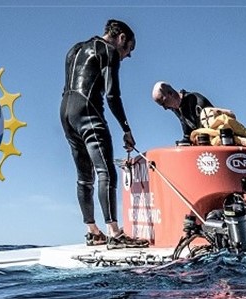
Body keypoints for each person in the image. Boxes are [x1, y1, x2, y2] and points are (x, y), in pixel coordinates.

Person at [60, 19, 148, 248]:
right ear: (121, 38)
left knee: (83, 177)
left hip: (66, 113)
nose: (128, 55)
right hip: (89, 112)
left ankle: (93, 231)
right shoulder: (108, 51)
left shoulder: (75, 49)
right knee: (106, 171)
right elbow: (112, 95)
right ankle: (114, 233)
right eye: (130, 48)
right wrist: (126, 129)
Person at [151, 81, 246, 147]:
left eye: (163, 102)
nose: (165, 108)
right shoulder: (176, 108)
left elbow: (213, 128)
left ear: (170, 94)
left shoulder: (196, 101)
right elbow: (187, 135)